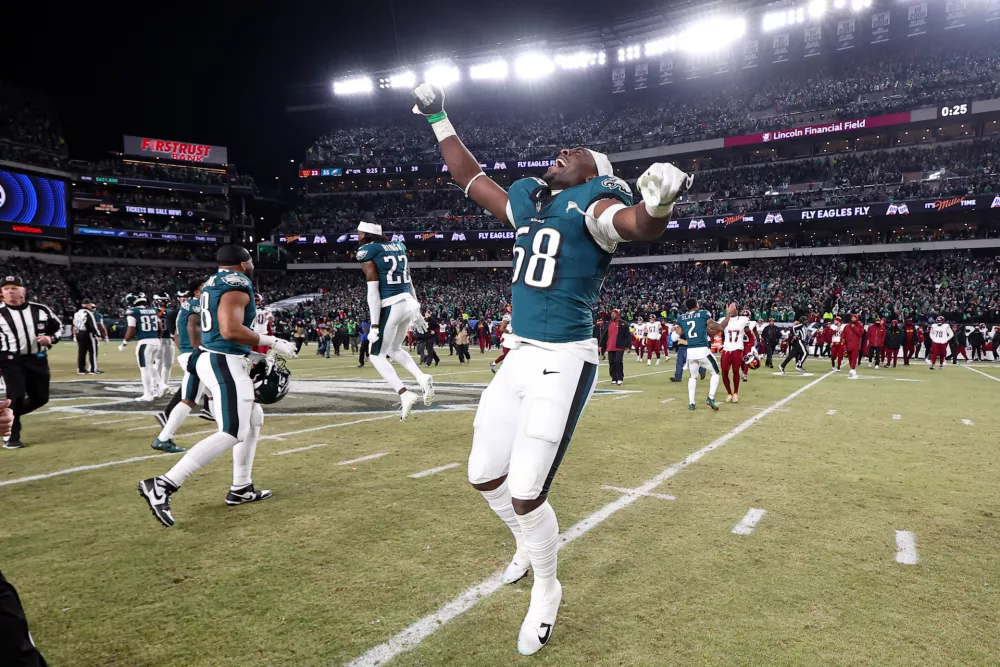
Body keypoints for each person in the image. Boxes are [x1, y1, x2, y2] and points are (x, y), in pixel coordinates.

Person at [413, 80, 690, 655]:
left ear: (596, 170)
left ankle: (547, 586)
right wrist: (439, 116)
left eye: (579, 150)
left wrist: (660, 202)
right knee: (483, 475)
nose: (564, 150)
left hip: (563, 359)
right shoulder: (533, 203)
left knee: (525, 490)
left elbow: (634, 225)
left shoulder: (595, 202)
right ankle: (524, 545)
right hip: (517, 355)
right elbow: (470, 178)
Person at [137, 245, 298, 528]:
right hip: (222, 362)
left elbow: (219, 333)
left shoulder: (212, 283)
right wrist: (272, 341)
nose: (252, 264)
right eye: (249, 259)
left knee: (253, 418)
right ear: (242, 263)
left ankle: (241, 487)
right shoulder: (236, 283)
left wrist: (251, 354)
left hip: (221, 356)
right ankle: (163, 484)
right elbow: (230, 330)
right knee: (232, 431)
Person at [356, 221, 434, 420]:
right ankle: (421, 376)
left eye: (359, 233)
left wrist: (374, 325)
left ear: (366, 235)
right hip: (407, 302)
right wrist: (416, 310)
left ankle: (405, 393)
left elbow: (373, 293)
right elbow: (409, 281)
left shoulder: (368, 251)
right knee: (394, 349)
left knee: (376, 355)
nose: (356, 237)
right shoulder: (398, 247)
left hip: (391, 304)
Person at [0, 276, 62, 450]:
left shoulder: (41, 310)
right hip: (11, 359)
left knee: (41, 397)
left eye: (14, 287)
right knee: (16, 396)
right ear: (2, 292)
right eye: (6, 288)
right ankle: (11, 436)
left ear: (23, 291)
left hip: (37, 359)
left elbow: (58, 327)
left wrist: (50, 338)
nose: (10, 291)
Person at [151, 279, 207, 454]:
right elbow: (192, 325)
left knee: (213, 394)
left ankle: (226, 428)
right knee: (189, 399)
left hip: (190, 354)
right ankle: (163, 437)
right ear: (197, 292)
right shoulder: (196, 305)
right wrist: (196, 351)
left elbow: (176, 334)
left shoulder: (191, 304)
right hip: (195, 355)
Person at [679, 299, 731, 409]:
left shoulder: (682, 318)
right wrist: (728, 315)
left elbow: (679, 332)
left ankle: (691, 403)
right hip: (702, 350)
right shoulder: (703, 314)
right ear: (696, 305)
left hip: (690, 352)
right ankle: (710, 398)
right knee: (715, 373)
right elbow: (719, 327)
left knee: (693, 377)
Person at [117, 293, 162, 402]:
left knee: (144, 369)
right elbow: (160, 328)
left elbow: (131, 330)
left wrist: (124, 343)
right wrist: (157, 339)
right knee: (150, 366)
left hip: (145, 343)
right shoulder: (153, 310)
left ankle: (148, 394)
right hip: (156, 341)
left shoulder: (133, 312)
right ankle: (161, 385)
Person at [720, 307, 752, 403]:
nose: (729, 310)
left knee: (735, 370)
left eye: (732, 308)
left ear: (736, 310)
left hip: (737, 349)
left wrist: (752, 346)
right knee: (724, 371)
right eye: (728, 308)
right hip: (726, 349)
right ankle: (729, 393)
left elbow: (749, 333)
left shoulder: (743, 319)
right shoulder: (723, 319)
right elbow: (717, 329)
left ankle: (735, 393)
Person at [601, 309, 631, 385]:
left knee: (618, 361)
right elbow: (604, 335)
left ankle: (620, 378)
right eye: (612, 313)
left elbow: (628, 336)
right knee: (611, 362)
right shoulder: (608, 323)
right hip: (610, 346)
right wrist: (601, 345)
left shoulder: (623, 324)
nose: (612, 315)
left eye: (614, 313)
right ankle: (614, 378)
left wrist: (628, 346)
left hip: (619, 346)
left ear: (618, 314)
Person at [73, 299, 101, 375]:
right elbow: (93, 325)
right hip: (88, 334)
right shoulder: (88, 313)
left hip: (79, 333)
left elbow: (75, 324)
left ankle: (81, 369)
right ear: (89, 305)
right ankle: (93, 369)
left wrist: (75, 334)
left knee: (81, 352)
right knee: (93, 351)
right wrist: (98, 335)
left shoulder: (77, 313)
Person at [155, 293, 176, 394]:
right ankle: (156, 385)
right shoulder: (154, 311)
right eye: (162, 300)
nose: (164, 302)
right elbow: (159, 316)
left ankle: (164, 385)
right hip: (158, 339)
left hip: (169, 339)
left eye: (165, 300)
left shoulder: (170, 311)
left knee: (168, 364)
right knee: (158, 363)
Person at [842, 313, 865, 378]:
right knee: (850, 358)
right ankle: (852, 369)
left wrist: (854, 327)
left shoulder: (860, 325)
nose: (853, 319)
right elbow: (843, 334)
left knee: (854, 358)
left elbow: (860, 333)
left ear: (857, 319)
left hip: (856, 345)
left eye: (854, 318)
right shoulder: (847, 326)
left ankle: (852, 369)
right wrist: (843, 339)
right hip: (848, 344)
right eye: (852, 318)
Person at [491, 307, 512, 373]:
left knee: (510, 354)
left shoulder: (515, 317)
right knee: (507, 355)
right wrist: (509, 332)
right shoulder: (507, 317)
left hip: (512, 339)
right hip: (507, 338)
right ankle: (498, 365)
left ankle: (497, 364)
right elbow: (501, 329)